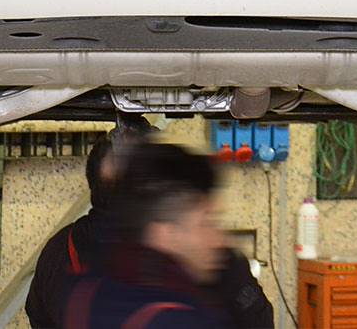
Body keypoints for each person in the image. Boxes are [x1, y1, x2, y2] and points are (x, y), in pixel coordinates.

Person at [27, 135, 272, 328]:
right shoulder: (203, 276)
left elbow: (38, 315)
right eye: (206, 221)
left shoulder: (64, 254)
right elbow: (258, 320)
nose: (217, 237)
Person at [62, 142, 239, 328]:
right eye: (206, 223)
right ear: (167, 233)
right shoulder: (187, 320)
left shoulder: (83, 295)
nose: (219, 240)